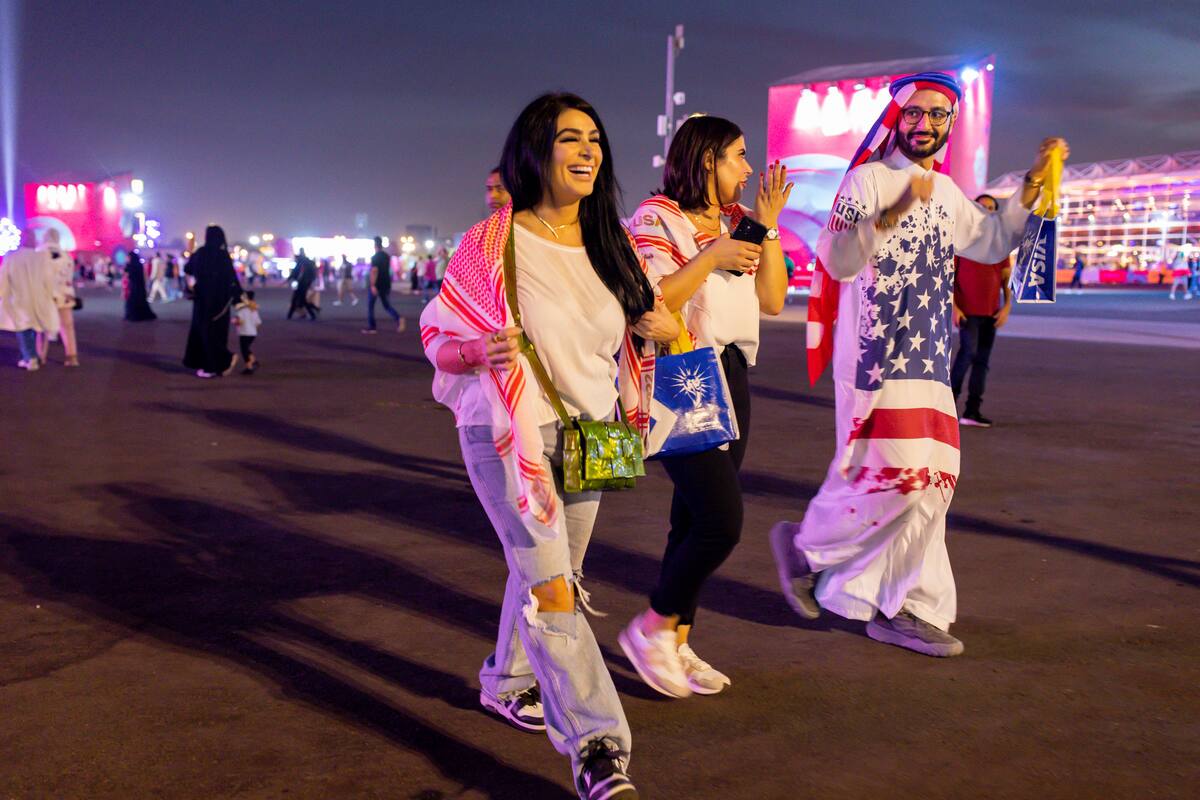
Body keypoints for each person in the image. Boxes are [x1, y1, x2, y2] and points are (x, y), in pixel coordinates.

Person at [419, 93, 678, 800]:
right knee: (555, 588)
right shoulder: (490, 243)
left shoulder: (613, 244)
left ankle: (506, 681)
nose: (589, 150)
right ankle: (599, 747)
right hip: (508, 434)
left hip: (591, 435)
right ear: (536, 151)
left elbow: (654, 328)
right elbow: (437, 341)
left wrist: (660, 329)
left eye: (595, 138)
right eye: (571, 138)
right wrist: (477, 348)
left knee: (545, 573)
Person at [770, 71, 1068, 658]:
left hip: (930, 357)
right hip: (876, 358)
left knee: (934, 486)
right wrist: (888, 213)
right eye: (916, 113)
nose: (926, 123)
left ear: (948, 125)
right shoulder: (866, 180)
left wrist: (1033, 187)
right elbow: (836, 257)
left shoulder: (948, 191)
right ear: (897, 118)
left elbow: (987, 241)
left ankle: (907, 606)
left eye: (937, 116)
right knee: (898, 477)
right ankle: (808, 548)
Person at [622, 115, 788, 698]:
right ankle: (653, 626)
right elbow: (650, 297)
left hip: (734, 373)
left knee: (690, 519)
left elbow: (772, 300)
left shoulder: (740, 223)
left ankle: (678, 640)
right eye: (738, 155)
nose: (748, 167)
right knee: (722, 520)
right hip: (683, 371)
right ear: (706, 159)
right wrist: (712, 255)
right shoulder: (655, 218)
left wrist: (765, 226)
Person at [950, 194, 1013, 427]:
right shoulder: (962, 241)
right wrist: (954, 307)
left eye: (990, 207)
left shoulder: (999, 245)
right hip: (967, 311)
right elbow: (947, 278)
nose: (986, 210)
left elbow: (1006, 280)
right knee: (966, 355)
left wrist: (1007, 306)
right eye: (982, 206)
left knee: (982, 362)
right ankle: (947, 407)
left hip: (991, 312)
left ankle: (972, 411)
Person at [183, 225, 243, 377]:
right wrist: (239, 296)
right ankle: (217, 363)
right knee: (217, 333)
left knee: (203, 331)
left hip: (202, 299)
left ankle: (215, 363)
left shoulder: (200, 253)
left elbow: (188, 269)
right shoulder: (223, 256)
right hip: (221, 301)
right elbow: (232, 278)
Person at [0, 228, 60, 370]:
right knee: (33, 327)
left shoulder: (11, 257)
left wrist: (3, 294)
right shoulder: (42, 257)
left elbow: (3, 280)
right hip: (38, 298)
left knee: (23, 328)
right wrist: (52, 295)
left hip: (19, 298)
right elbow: (49, 279)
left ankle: (31, 358)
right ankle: (30, 356)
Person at [34, 228, 80, 367]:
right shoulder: (66, 256)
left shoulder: (39, 254)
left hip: (46, 295)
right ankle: (72, 356)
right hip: (65, 294)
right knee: (67, 326)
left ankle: (40, 355)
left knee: (41, 326)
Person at [362, 236, 404, 334]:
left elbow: (374, 271)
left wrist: (372, 285)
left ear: (375, 245)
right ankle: (398, 318)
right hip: (386, 284)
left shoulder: (375, 257)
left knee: (370, 306)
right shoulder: (386, 256)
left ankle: (372, 327)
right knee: (386, 305)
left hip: (377, 285)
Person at [122, 249, 157, 321]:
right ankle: (142, 315)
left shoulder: (130, 266)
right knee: (141, 301)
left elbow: (128, 275)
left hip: (133, 286)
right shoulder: (139, 265)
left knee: (132, 301)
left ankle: (133, 315)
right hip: (140, 286)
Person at [234, 289, 262, 373]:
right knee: (246, 349)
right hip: (252, 333)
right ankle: (253, 361)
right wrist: (254, 330)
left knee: (244, 350)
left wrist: (235, 322)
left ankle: (249, 367)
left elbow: (240, 322)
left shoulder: (241, 311)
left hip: (244, 332)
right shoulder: (254, 310)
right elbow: (258, 323)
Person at [286, 248, 319, 320]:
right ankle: (313, 312)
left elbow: (295, 272)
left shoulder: (301, 262)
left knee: (297, 300)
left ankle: (290, 315)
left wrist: (289, 278)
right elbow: (312, 273)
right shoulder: (307, 262)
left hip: (302, 284)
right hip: (304, 284)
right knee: (300, 300)